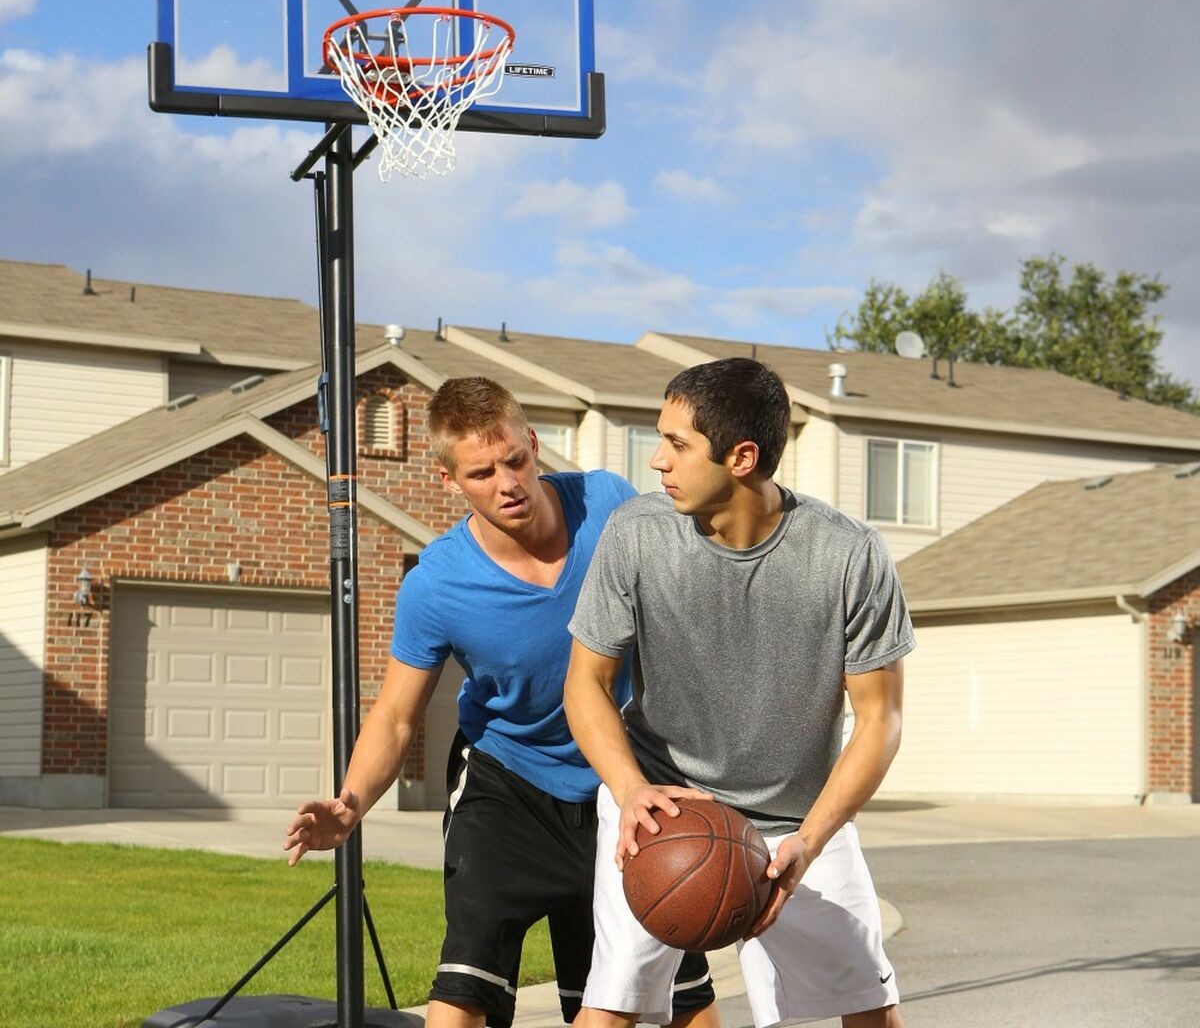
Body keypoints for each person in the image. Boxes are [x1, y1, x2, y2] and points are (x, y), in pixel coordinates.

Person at [283, 377, 717, 1028]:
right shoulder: (436, 584)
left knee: (678, 999)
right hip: (506, 787)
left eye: (514, 460)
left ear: (534, 445)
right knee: (464, 989)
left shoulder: (610, 507)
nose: (506, 483)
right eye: (481, 472)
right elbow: (397, 716)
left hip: (623, 783)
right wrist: (350, 805)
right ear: (448, 479)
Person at [563, 357, 913, 1028]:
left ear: (742, 457)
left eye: (678, 444)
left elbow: (879, 720)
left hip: (797, 821)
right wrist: (632, 791)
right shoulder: (635, 535)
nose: (658, 462)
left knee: (870, 1008)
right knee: (611, 1003)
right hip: (666, 810)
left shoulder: (848, 555)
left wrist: (810, 841)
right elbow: (586, 683)